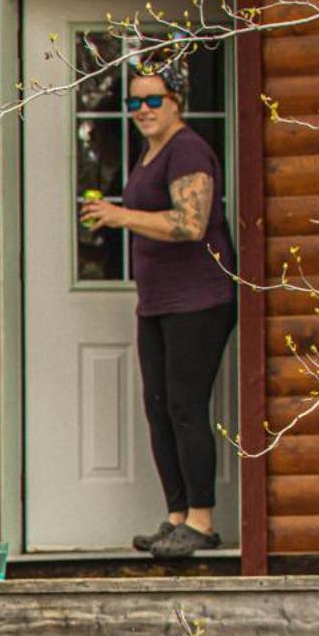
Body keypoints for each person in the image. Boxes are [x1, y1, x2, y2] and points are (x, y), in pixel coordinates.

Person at [80, 64, 238, 560]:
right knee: (159, 408)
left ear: (177, 102)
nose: (142, 111)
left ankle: (202, 521)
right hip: (159, 302)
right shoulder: (150, 153)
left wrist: (119, 215)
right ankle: (176, 519)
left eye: (153, 100)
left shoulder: (187, 149)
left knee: (186, 408)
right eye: (134, 103)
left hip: (200, 299)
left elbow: (191, 224)